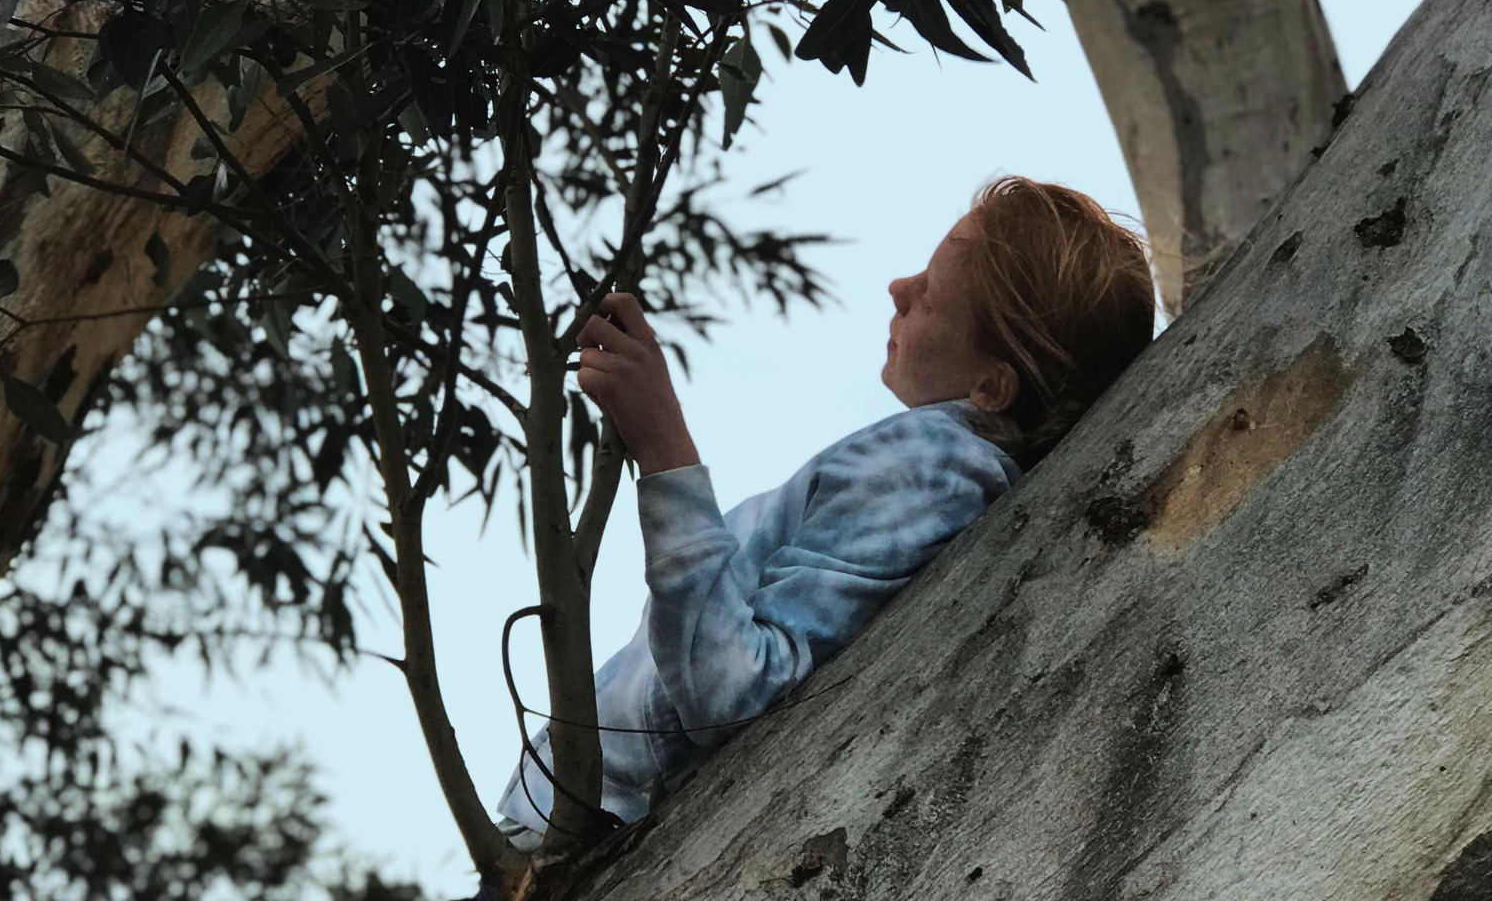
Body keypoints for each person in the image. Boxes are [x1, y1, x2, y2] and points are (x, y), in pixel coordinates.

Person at [494, 176, 1155, 850]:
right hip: (577, 807)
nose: (898, 289)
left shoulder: (932, 466)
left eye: (927, 293)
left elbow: (733, 687)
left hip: (592, 823)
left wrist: (663, 445)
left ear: (992, 384)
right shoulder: (936, 470)